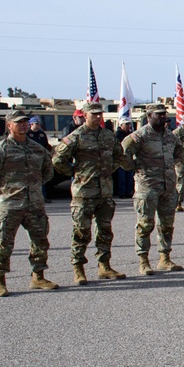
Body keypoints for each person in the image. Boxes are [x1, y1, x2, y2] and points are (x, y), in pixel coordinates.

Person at [0, 110, 58, 295]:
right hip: (10, 205)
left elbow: (48, 172)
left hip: (34, 204)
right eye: (18, 122)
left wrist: (32, 186)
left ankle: (38, 277)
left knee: (40, 241)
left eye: (25, 121)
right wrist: (8, 188)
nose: (23, 124)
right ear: (9, 125)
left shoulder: (38, 149)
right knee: (3, 243)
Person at [52, 101, 128, 284]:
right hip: (84, 192)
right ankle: (78, 268)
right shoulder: (76, 136)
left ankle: (104, 266)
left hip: (104, 192)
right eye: (94, 114)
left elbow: (119, 155)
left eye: (100, 114)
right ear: (84, 116)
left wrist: (110, 169)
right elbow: (57, 159)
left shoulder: (108, 136)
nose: (98, 117)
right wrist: (74, 172)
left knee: (105, 231)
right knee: (81, 232)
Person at [121, 103, 184, 275]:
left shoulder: (170, 136)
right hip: (147, 187)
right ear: (149, 116)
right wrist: (135, 167)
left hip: (167, 187)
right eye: (158, 114)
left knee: (166, 224)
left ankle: (165, 258)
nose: (163, 117)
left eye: (164, 114)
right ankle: (143, 260)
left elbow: (178, 154)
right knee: (145, 224)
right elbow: (122, 153)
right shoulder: (140, 136)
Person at [114, 120, 135, 199]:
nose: (128, 126)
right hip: (121, 159)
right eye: (126, 124)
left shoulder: (130, 134)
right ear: (121, 125)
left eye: (129, 124)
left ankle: (129, 192)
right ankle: (122, 192)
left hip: (129, 158)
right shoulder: (117, 135)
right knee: (122, 177)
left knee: (129, 176)